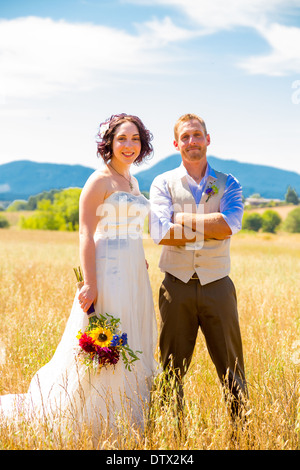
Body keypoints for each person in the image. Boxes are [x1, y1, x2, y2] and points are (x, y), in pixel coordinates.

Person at [0, 113, 158, 438]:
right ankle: (95, 422)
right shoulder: (98, 180)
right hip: (107, 273)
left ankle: (130, 418)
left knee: (133, 338)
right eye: (122, 139)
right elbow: (86, 234)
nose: (129, 146)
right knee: (106, 343)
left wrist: (139, 261)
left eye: (135, 140)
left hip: (134, 276)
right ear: (109, 144)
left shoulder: (133, 182)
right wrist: (90, 283)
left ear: (142, 146)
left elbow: (132, 230)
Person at [150, 113, 247, 422]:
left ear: (208, 139)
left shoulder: (228, 183)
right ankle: (170, 436)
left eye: (197, 135)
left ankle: (241, 434)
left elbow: (228, 225)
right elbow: (161, 234)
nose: (192, 141)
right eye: (186, 136)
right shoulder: (162, 182)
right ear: (176, 143)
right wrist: (210, 225)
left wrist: (181, 219)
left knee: (232, 368)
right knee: (171, 370)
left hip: (218, 285)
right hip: (175, 286)